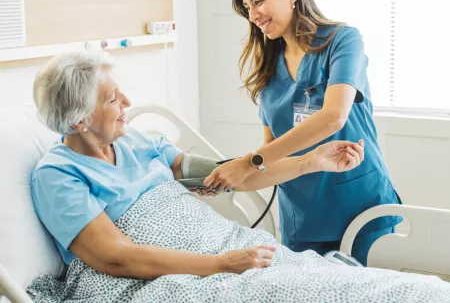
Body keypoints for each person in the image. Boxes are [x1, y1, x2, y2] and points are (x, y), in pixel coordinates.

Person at [31, 51, 364, 279]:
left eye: (122, 93)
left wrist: (311, 161)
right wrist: (219, 265)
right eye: (113, 99)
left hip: (218, 250)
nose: (128, 104)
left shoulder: (139, 142)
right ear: (78, 121)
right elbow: (113, 256)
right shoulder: (59, 176)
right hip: (161, 277)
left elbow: (235, 176)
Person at [203, 0, 402, 266]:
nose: (252, 14)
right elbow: (269, 161)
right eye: (247, 7)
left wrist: (250, 161)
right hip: (302, 218)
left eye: (258, 1)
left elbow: (333, 117)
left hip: (358, 205)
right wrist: (227, 179)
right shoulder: (267, 71)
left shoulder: (342, 41)